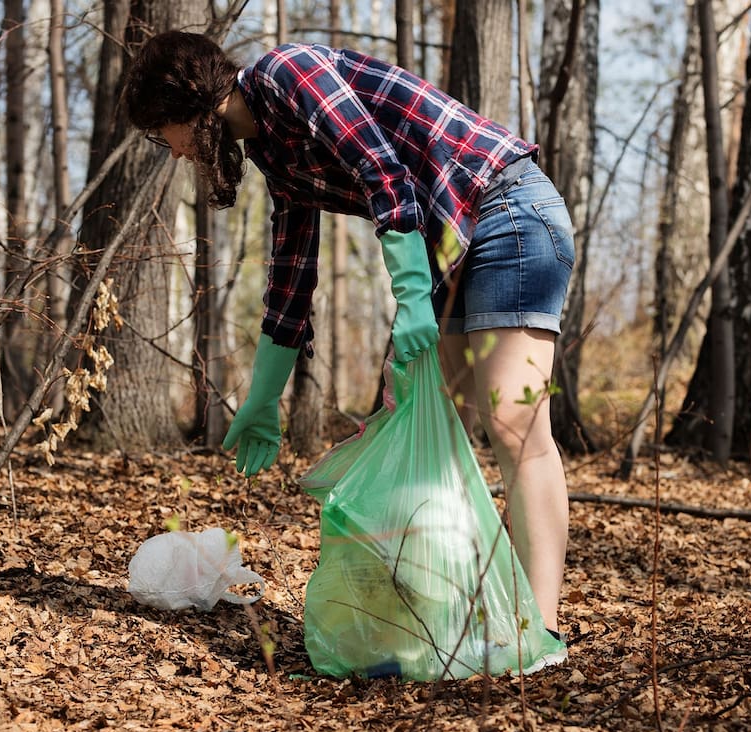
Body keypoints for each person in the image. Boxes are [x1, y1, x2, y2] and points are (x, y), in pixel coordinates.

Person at [121, 31, 575, 642]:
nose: (172, 153)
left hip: (505, 209)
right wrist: (262, 399)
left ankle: (539, 630)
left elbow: (382, 172)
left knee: (516, 428)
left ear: (184, 105)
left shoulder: (290, 71)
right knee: (430, 429)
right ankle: (446, 618)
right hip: (449, 242)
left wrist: (413, 298)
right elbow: (291, 276)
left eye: (161, 134)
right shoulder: (273, 151)